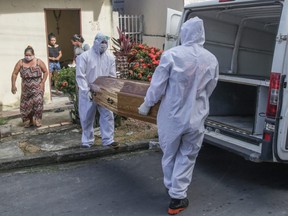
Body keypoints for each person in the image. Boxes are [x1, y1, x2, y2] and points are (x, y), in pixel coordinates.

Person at [138, 17, 219, 215]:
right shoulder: (212, 59)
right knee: (188, 155)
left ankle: (173, 190)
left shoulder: (172, 55)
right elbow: (210, 88)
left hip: (171, 116)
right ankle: (178, 194)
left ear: (184, 33)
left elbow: (157, 86)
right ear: (202, 34)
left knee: (170, 154)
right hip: (196, 116)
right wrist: (198, 102)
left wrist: (146, 105)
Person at [76, 32, 119, 149]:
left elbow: (112, 76)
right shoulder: (84, 57)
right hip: (88, 91)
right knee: (86, 116)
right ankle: (87, 141)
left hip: (103, 92)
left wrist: (109, 90)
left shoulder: (110, 57)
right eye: (102, 42)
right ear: (95, 42)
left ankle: (108, 140)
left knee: (107, 115)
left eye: (106, 43)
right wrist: (86, 91)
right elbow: (80, 76)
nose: (104, 45)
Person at [11, 45, 49, 127]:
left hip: (37, 87)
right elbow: (14, 73)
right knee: (26, 105)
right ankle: (29, 121)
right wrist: (13, 85)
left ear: (33, 54)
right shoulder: (21, 62)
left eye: (29, 55)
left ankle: (38, 120)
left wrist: (42, 82)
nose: (27, 57)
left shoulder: (38, 62)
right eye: (26, 55)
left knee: (38, 103)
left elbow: (45, 72)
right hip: (25, 88)